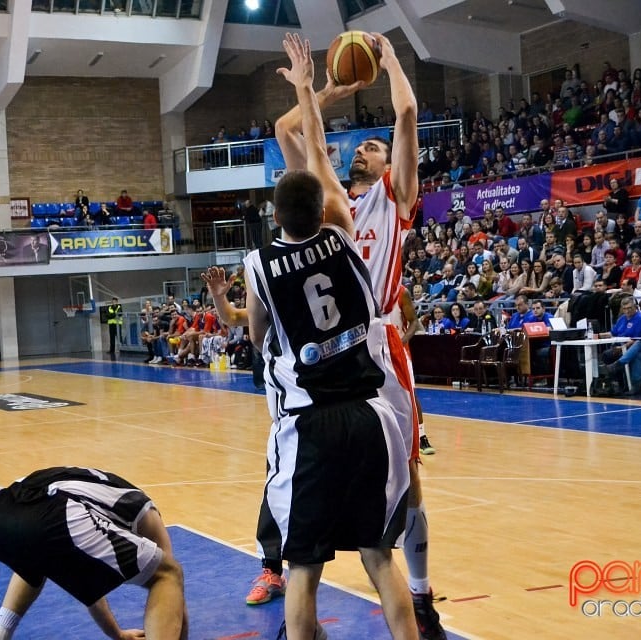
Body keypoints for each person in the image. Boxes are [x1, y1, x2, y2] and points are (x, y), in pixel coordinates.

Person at [203, 35, 418, 640]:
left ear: (276, 216)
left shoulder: (263, 262)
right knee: (379, 555)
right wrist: (316, 88)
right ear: (326, 206)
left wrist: (308, 84)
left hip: (313, 407)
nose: (364, 154)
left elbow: (319, 145)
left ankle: (296, 590)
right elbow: (314, 145)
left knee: (308, 563)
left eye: (373, 148)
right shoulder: (344, 230)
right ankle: (408, 608)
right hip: (366, 398)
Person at [271, 29, 445, 639]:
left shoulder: (394, 200)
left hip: (379, 339)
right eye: (363, 145)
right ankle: (287, 562)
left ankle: (419, 594)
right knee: (300, 458)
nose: (366, 149)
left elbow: (405, 111)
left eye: (373, 146)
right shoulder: (332, 205)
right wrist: (332, 87)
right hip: (332, 350)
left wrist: (389, 55)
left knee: (409, 478)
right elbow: (290, 132)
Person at [0, 466, 187, 640]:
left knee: (37, 560)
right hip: (55, 516)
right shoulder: (146, 513)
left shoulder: (99, 492)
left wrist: (117, 635)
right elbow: (173, 590)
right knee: (168, 574)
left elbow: (87, 586)